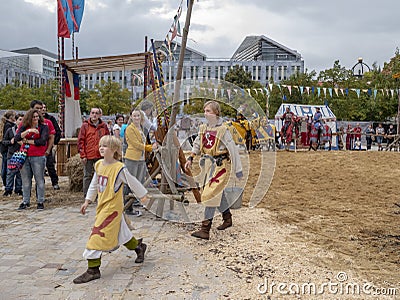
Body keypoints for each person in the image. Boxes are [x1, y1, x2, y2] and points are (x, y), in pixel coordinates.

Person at [73, 135, 148, 284]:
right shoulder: (99, 164)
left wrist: (143, 196)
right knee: (123, 235)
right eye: (100, 145)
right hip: (102, 206)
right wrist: (87, 201)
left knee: (96, 237)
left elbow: (132, 181)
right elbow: (94, 184)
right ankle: (139, 247)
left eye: (105, 146)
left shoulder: (119, 168)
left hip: (112, 209)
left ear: (114, 150)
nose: (101, 148)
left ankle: (93, 270)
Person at [185, 101, 243, 240]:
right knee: (217, 193)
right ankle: (227, 218)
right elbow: (198, 144)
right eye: (205, 111)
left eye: (209, 111)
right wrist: (191, 157)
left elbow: (232, 149)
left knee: (211, 194)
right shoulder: (203, 128)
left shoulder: (223, 130)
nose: (206, 113)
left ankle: (205, 229)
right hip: (207, 166)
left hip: (219, 166)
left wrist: (238, 169)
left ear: (216, 113)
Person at [124, 108, 157, 215]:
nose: (137, 118)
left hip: (140, 158)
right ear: (131, 118)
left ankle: (134, 201)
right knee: (130, 182)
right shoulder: (130, 129)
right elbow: (136, 144)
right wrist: (150, 148)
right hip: (132, 158)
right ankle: (127, 206)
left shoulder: (141, 128)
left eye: (138, 116)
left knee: (138, 181)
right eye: (134, 116)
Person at [14, 109, 49, 210]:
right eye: (34, 117)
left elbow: (42, 141)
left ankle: (40, 201)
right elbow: (17, 138)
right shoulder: (24, 126)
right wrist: (28, 131)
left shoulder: (43, 127)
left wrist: (27, 141)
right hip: (24, 154)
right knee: (25, 180)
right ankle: (25, 201)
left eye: (37, 117)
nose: (36, 119)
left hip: (38, 155)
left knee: (39, 179)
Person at [78, 107, 109, 197]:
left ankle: (100, 194)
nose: (94, 115)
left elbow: (107, 139)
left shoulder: (104, 126)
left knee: (101, 175)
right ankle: (87, 195)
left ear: (99, 115)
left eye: (96, 113)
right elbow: (81, 141)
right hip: (88, 154)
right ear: (90, 114)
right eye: (92, 113)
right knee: (87, 175)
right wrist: (83, 155)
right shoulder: (85, 126)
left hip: (100, 155)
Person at [2, 113, 24, 196]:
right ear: (16, 120)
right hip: (11, 153)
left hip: (21, 153)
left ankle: (18, 189)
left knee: (19, 173)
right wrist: (10, 142)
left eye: (23, 120)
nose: (21, 121)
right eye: (20, 119)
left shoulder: (25, 130)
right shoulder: (10, 130)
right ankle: (8, 189)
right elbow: (4, 141)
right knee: (10, 172)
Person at [42, 102, 62, 190]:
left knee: (50, 165)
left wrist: (54, 142)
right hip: (37, 146)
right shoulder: (33, 119)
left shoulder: (50, 119)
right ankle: (40, 185)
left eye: (44, 107)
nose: (43, 109)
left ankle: (55, 182)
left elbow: (57, 131)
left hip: (48, 146)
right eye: (41, 108)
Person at [0, 110, 16, 189]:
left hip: (3, 148)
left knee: (4, 165)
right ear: (11, 117)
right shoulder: (9, 126)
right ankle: (6, 183)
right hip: (6, 148)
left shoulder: (5, 124)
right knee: (6, 167)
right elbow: (6, 138)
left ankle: (5, 183)